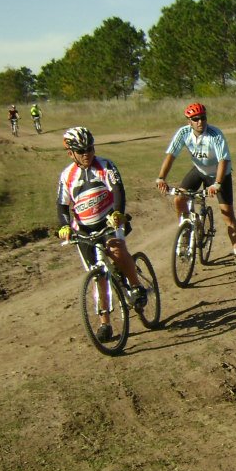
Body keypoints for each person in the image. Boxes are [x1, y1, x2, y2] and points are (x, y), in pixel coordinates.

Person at [56, 127, 147, 341]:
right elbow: (61, 205)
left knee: (116, 249)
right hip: (84, 228)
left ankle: (136, 286)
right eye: (81, 151)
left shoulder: (105, 165)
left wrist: (117, 213)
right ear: (71, 153)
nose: (87, 153)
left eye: (90, 148)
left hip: (108, 220)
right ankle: (105, 323)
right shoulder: (66, 176)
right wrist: (64, 225)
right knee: (98, 276)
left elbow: (118, 190)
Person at [155, 103, 236, 270]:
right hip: (199, 170)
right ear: (189, 121)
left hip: (220, 174)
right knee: (179, 199)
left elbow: (223, 161)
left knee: (228, 215)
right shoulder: (183, 133)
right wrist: (161, 178)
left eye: (203, 117)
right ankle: (185, 229)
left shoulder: (215, 135)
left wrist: (217, 184)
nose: (200, 121)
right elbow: (171, 156)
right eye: (195, 119)